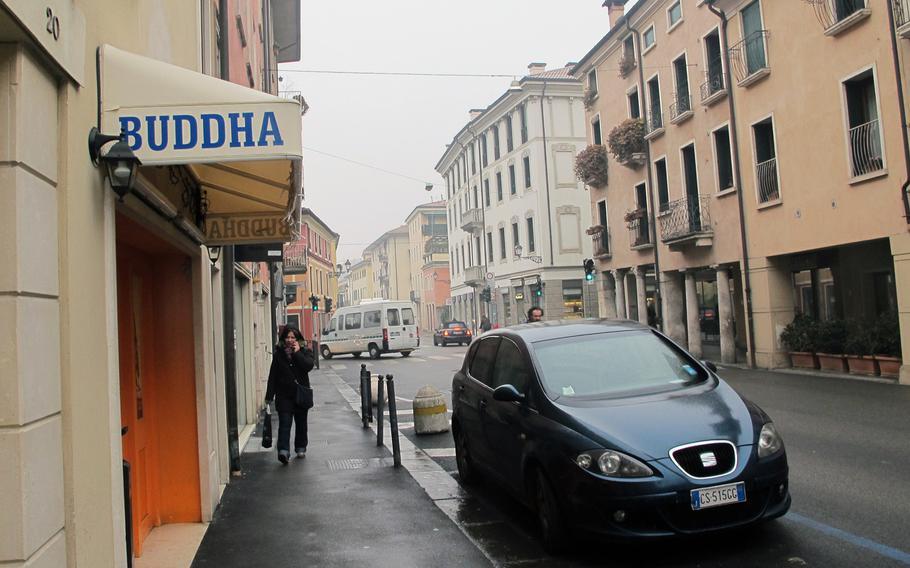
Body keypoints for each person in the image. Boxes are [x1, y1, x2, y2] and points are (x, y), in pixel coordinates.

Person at [265, 325, 315, 464]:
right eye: (287, 337)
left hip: (300, 394)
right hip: (284, 395)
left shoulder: (305, 351)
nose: (290, 340)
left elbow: (308, 366)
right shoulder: (279, 354)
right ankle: (283, 451)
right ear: (283, 338)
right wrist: (269, 396)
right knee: (285, 424)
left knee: (301, 423)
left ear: (298, 339)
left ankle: (300, 447)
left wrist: (298, 353)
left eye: (293, 337)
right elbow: (273, 376)